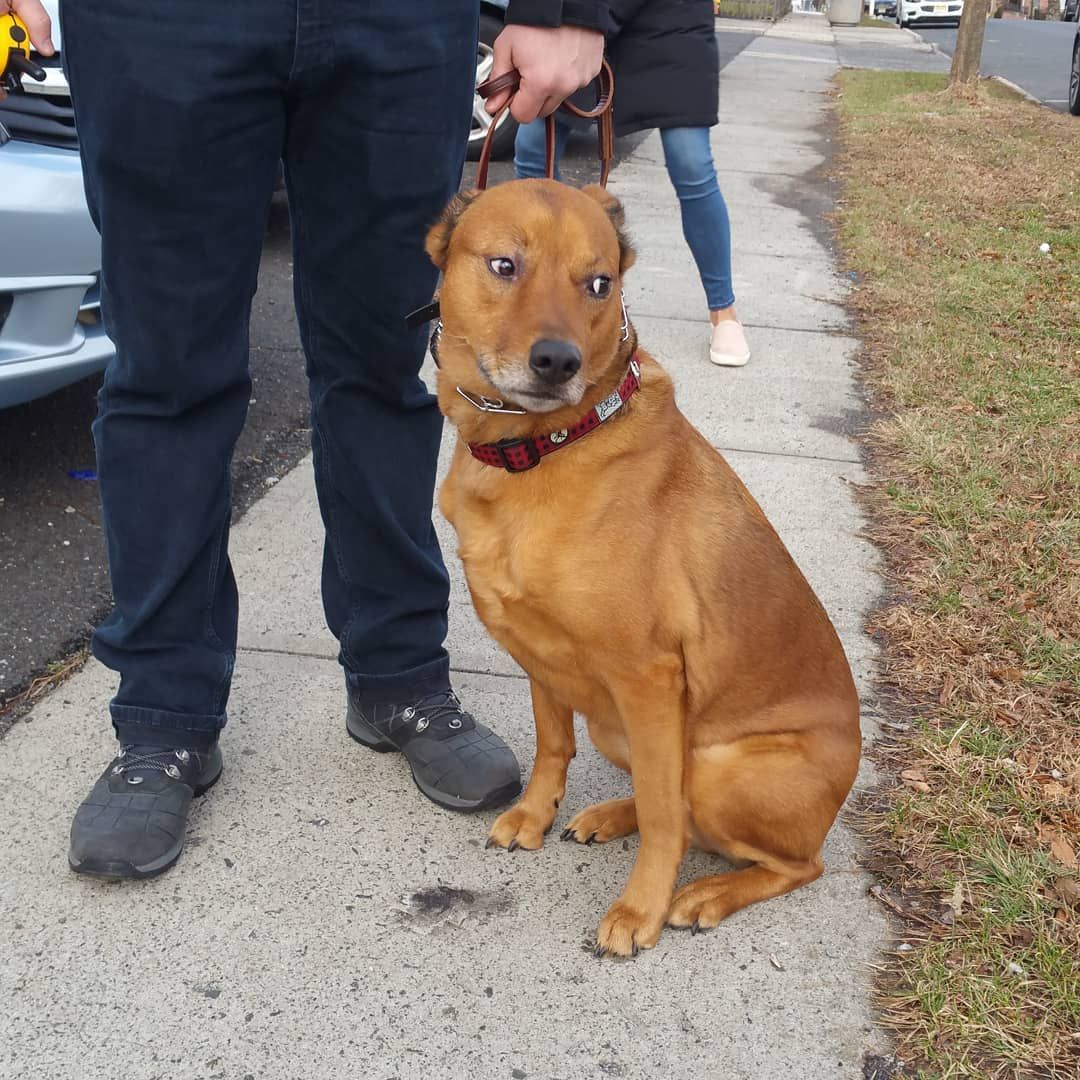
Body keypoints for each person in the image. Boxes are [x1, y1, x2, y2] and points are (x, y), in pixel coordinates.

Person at [6, 0, 605, 880]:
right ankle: (164, 718)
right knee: (165, 375)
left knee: (381, 361)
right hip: (154, 23)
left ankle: (399, 674)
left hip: (398, 21)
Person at [513, 0, 750, 368]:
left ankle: (724, 310)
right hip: (584, 8)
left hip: (673, 14)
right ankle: (553, 291)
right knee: (532, 149)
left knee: (691, 162)